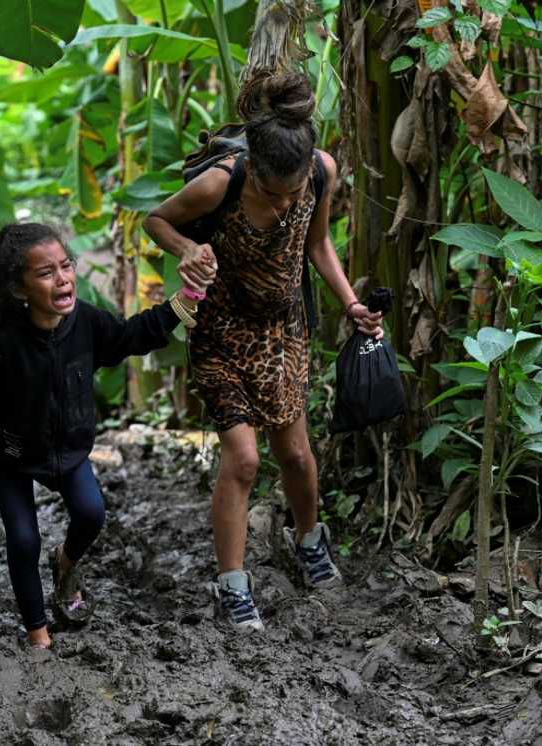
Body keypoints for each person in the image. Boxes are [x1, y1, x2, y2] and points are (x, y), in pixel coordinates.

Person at [0, 223, 212, 649]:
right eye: (46, 273)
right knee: (22, 538)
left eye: (66, 266)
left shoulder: (86, 323)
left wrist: (185, 301)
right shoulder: (0, 345)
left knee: (91, 513)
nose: (63, 278)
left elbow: (131, 336)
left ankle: (65, 563)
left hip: (68, 449)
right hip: (11, 454)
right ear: (20, 289)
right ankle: (38, 635)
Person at [143, 73, 384, 632]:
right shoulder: (220, 183)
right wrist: (186, 248)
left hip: (282, 331)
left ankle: (310, 540)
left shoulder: (320, 172)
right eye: (273, 193)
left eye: (293, 191)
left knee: (296, 455)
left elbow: (318, 243)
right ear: (255, 169)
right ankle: (232, 586)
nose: (285, 202)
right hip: (220, 331)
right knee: (245, 460)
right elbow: (155, 220)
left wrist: (350, 304)